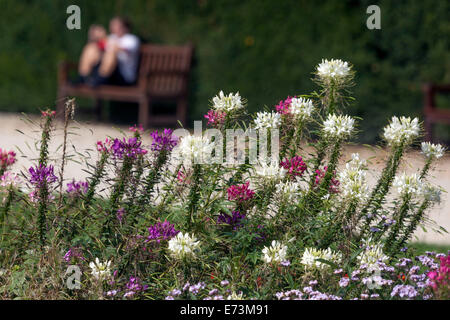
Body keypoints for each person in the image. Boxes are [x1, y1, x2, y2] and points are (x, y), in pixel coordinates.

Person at [78, 17, 140, 87]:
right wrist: (94, 36)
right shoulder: (112, 37)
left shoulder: (131, 39)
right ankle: (83, 77)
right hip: (108, 74)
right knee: (91, 48)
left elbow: (122, 50)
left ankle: (98, 80)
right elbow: (99, 47)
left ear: (125, 28)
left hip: (123, 76)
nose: (113, 28)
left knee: (111, 53)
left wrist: (105, 39)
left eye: (116, 25)